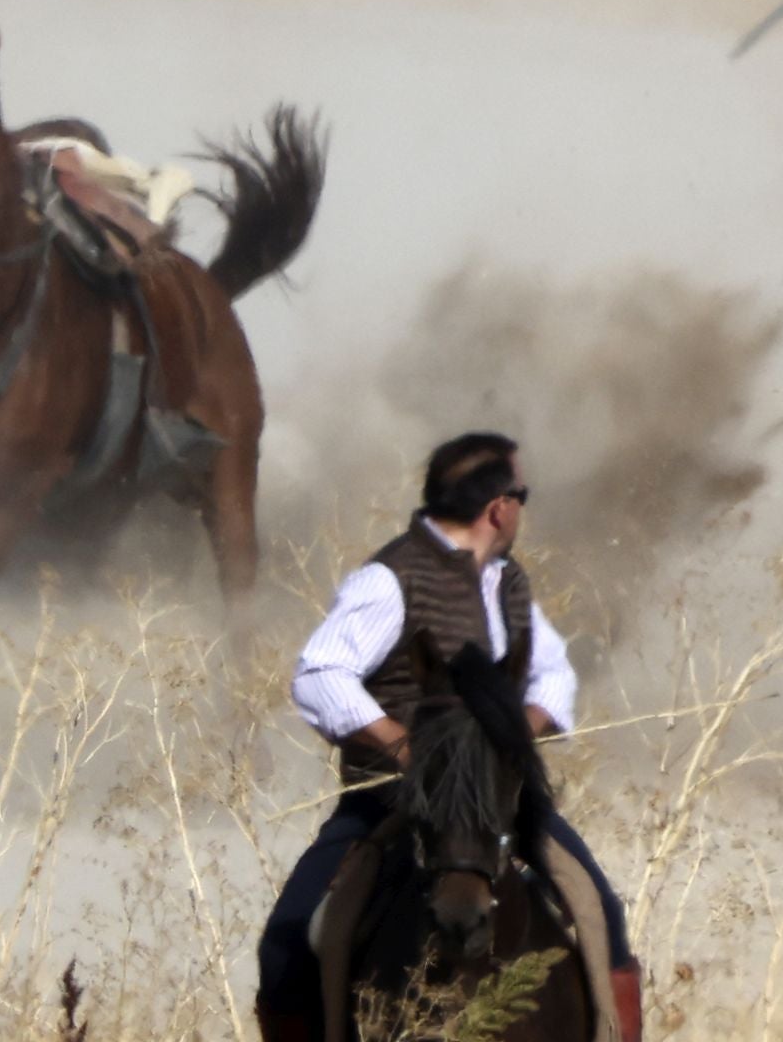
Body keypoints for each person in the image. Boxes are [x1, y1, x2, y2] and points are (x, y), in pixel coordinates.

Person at [255, 432, 642, 1042]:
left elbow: (553, 675)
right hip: (391, 803)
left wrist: (506, 741)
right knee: (288, 943)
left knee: (603, 918)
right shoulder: (390, 579)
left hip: (502, 808)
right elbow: (321, 674)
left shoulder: (507, 582)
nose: (521, 509)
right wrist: (407, 749)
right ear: (499, 508)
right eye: (522, 496)